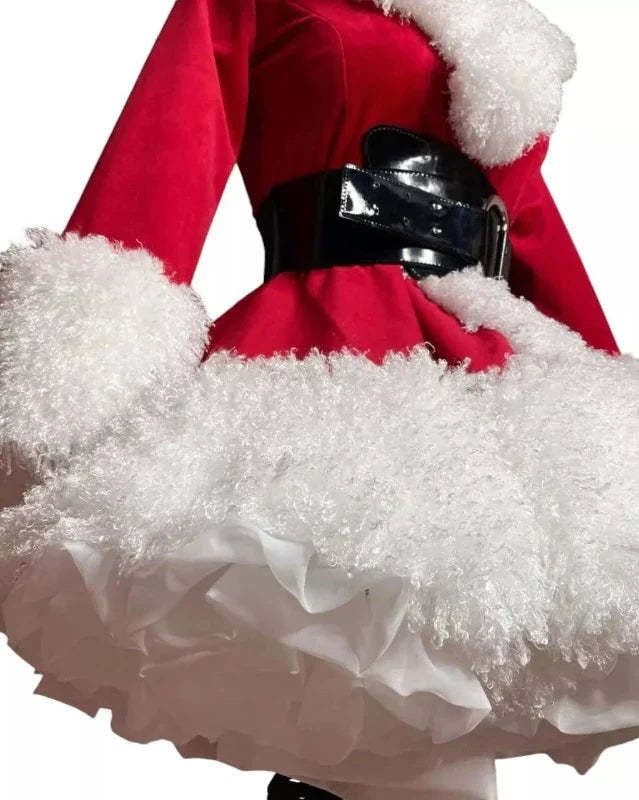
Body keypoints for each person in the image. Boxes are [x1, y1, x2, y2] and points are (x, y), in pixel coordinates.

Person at [1, 2, 638, 798]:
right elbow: (167, 150)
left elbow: (530, 227)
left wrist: (606, 392)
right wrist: (77, 375)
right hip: (326, 347)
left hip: (479, 362)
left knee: (451, 695)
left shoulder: (496, 25)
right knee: (351, 661)